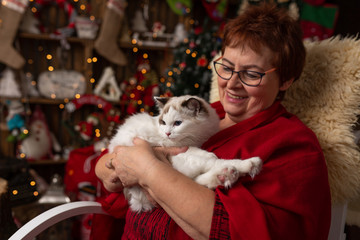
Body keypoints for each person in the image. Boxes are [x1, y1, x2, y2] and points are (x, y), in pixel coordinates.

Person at [94, 3, 331, 239]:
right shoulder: (205, 115)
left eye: (251, 74)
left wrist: (148, 170)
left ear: (285, 80)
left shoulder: (295, 145)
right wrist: (115, 167)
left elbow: (243, 231)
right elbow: (109, 165)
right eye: (226, 67)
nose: (231, 83)